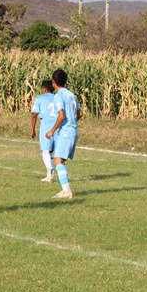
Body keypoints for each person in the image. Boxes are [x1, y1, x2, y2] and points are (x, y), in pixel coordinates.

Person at [45, 68, 81, 199]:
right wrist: (72, 122)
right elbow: (80, 113)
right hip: (74, 131)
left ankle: (67, 190)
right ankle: (65, 189)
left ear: (53, 82)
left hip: (66, 132)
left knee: (57, 161)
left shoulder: (59, 96)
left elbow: (61, 115)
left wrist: (52, 131)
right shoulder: (71, 95)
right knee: (61, 160)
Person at [30, 79, 58, 182]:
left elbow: (34, 115)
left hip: (46, 128)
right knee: (53, 152)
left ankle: (50, 171)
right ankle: (50, 174)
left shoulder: (40, 98)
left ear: (44, 89)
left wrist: (32, 129)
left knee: (45, 151)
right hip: (57, 127)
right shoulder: (57, 98)